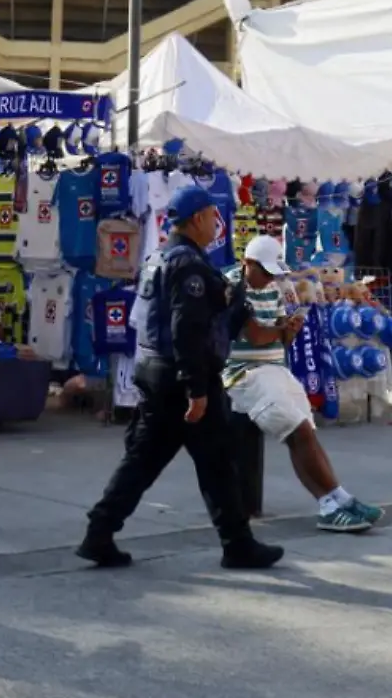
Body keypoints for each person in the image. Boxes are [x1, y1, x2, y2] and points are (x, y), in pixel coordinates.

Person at [78, 185, 282, 571]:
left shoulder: (161, 257)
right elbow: (186, 327)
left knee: (146, 461)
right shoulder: (188, 264)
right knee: (216, 462)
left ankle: (99, 532)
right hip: (182, 378)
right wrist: (197, 389)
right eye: (211, 216)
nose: (216, 224)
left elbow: (199, 320)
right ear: (198, 218)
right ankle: (237, 544)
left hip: (157, 372)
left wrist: (235, 302)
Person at [225, 235, 384, 532]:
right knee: (297, 430)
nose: (271, 278)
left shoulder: (273, 286)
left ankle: (337, 497)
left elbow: (278, 337)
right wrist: (281, 329)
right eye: (266, 271)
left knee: (304, 428)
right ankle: (329, 502)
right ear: (248, 264)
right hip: (245, 373)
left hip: (273, 368)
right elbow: (255, 335)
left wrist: (290, 330)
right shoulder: (232, 287)